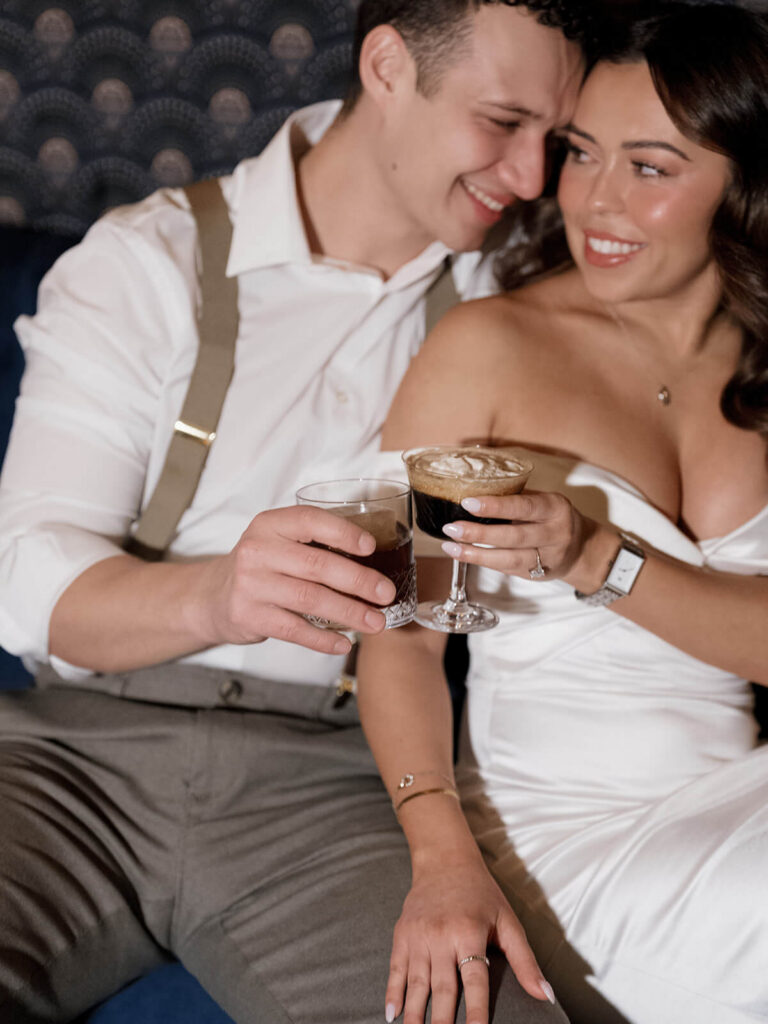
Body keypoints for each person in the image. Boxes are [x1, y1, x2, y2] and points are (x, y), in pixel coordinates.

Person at [0, 1, 593, 1021]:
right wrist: (219, 596)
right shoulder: (145, 266)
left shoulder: (516, 297)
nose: (534, 178)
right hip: (71, 763)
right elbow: (27, 586)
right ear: (388, 65)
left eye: (557, 140)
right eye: (502, 123)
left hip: (341, 782)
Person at [357, 4, 768, 1024]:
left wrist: (600, 557)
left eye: (651, 167)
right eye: (584, 154)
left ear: (746, 187)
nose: (592, 200)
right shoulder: (486, 349)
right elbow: (394, 634)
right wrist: (441, 857)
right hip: (570, 845)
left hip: (737, 809)